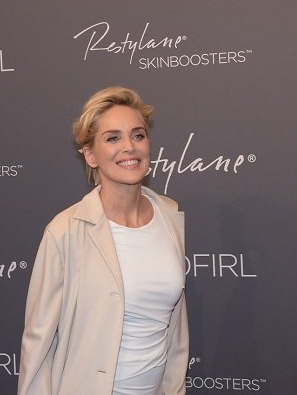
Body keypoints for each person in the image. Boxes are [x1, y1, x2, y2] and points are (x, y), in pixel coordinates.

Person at [18, 87, 189, 395]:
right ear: (90, 155)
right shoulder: (65, 231)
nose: (129, 147)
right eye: (113, 138)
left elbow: (174, 328)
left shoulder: (169, 215)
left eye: (138, 135)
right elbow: (38, 342)